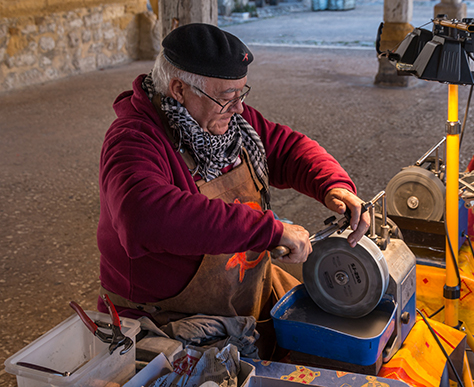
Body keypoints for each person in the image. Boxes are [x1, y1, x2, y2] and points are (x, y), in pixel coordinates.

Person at [97, 23, 370, 356]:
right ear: (179, 90)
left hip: (246, 294)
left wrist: (333, 185)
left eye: (242, 94)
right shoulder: (132, 139)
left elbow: (288, 149)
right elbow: (144, 216)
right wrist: (269, 231)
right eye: (227, 98)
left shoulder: (234, 125)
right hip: (167, 319)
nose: (239, 108)